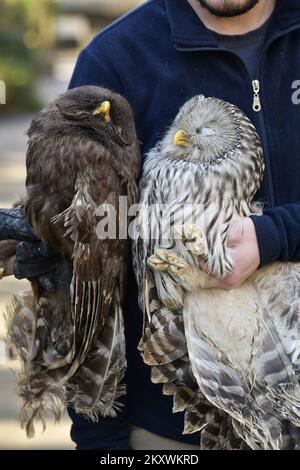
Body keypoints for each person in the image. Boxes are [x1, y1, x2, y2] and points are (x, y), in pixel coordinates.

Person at [2, 0, 300, 450]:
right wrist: (103, 441)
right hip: (175, 426)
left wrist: (275, 234)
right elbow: (85, 286)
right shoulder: (117, 61)